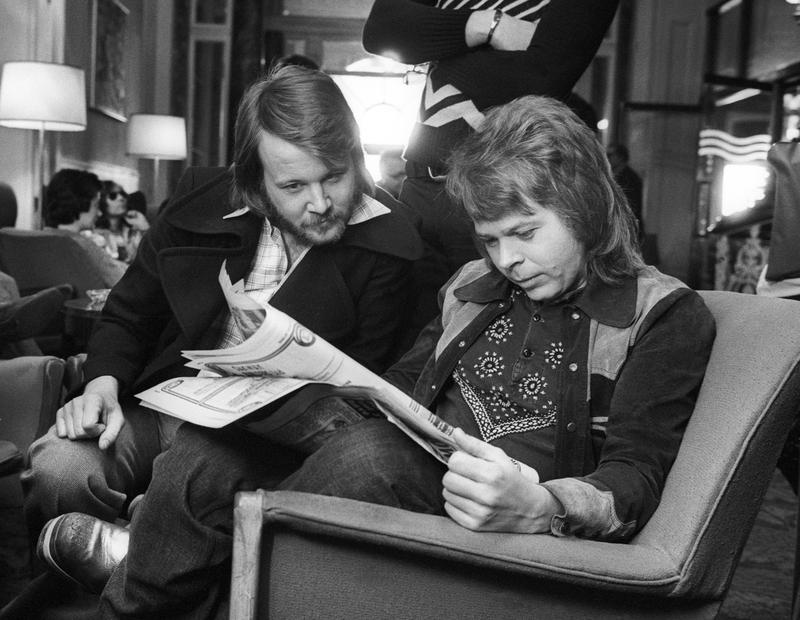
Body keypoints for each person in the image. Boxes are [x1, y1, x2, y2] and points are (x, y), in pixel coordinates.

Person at [34, 95, 714, 618]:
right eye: (490, 240)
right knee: (206, 453)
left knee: (369, 459)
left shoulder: (661, 313)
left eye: (526, 234)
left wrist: (545, 505)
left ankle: (153, 560)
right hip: (406, 455)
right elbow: (400, 385)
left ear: (588, 203)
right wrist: (295, 379)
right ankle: (135, 595)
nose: (507, 259)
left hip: (492, 515)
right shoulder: (473, 286)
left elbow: (635, 477)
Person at [22, 64, 421, 581]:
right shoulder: (201, 200)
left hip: (258, 444)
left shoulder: (393, 246)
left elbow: (368, 395)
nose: (320, 204)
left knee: (191, 485)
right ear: (255, 180)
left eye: (335, 177)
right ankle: (135, 553)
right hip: (163, 404)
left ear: (355, 158)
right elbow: (131, 310)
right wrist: (101, 385)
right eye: (294, 185)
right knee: (59, 469)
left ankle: (129, 556)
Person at [362, 0, 620, 341]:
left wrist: (445, 38)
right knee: (405, 337)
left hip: (497, 195)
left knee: (490, 338)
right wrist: (486, 25)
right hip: (420, 183)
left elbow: (545, 71)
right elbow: (383, 31)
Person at [42, 169, 128, 288]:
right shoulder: (83, 246)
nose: (99, 213)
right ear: (80, 203)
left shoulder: (37, 240)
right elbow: (125, 285)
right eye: (96, 205)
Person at [94, 181, 151, 263]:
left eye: (123, 194)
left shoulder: (134, 231)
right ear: (101, 201)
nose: (121, 198)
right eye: (113, 196)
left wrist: (145, 227)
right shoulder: (95, 234)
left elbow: (152, 257)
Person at [606, 143, 644, 235]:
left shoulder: (631, 178)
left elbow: (632, 206)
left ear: (620, 157)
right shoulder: (611, 175)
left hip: (626, 228)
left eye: (610, 155)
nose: (607, 158)